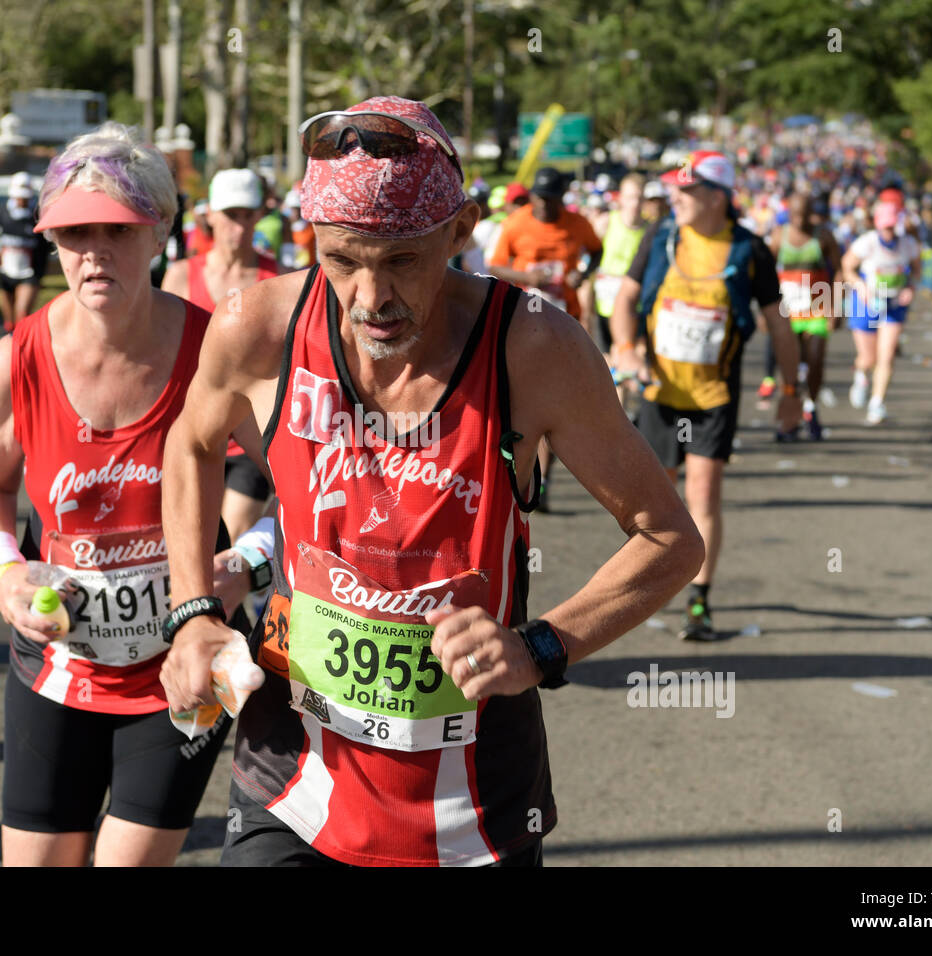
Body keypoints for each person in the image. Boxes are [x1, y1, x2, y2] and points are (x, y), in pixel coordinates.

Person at [158, 96, 703, 867]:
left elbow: (670, 540)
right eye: (341, 259)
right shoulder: (259, 325)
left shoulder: (534, 345)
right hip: (293, 771)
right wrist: (191, 612)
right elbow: (189, 444)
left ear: (461, 228)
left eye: (402, 261)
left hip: (473, 801)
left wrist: (542, 646)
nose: (370, 298)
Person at [0, 123, 257, 867]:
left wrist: (251, 560)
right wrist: (2, 574)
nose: (93, 252)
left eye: (116, 231)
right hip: (58, 663)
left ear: (158, 232)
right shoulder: (15, 358)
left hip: (183, 659)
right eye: (73, 232)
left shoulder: (213, 353)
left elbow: (309, 484)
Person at [610, 150, 802, 641]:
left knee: (703, 495)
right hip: (659, 390)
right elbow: (625, 301)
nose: (674, 197)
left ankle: (699, 601)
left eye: (686, 190)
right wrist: (627, 349)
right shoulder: (662, 236)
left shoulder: (749, 250)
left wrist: (790, 390)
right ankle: (649, 587)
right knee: (654, 501)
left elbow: (779, 326)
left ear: (717, 196)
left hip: (712, 396)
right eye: (674, 188)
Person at [162, 167, 286, 546]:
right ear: (210, 215)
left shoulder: (280, 279)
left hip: (252, 439)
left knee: (230, 543)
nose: (239, 226)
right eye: (230, 215)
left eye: (248, 215)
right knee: (194, 542)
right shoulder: (180, 276)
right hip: (191, 432)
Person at [487, 165, 602, 508]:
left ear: (560, 199)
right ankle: (513, 476)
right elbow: (494, 266)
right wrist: (527, 276)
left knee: (550, 406)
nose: (544, 206)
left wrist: (583, 273)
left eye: (551, 200)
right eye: (539, 198)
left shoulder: (577, 223)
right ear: (532, 195)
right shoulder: (517, 222)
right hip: (522, 324)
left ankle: (544, 480)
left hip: (564, 323)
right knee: (518, 403)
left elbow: (597, 250)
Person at [766, 190, 843, 440]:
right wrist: (765, 311)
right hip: (788, 311)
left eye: (804, 214)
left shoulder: (824, 236)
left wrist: (835, 306)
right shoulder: (779, 236)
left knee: (815, 359)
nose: (800, 220)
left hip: (818, 307)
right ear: (789, 213)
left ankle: (811, 407)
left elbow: (839, 271)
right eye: (795, 215)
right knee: (789, 368)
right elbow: (765, 276)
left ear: (812, 212)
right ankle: (789, 421)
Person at [842, 199, 921, 425]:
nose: (889, 231)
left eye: (892, 226)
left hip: (894, 304)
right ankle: (860, 375)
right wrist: (860, 286)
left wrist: (910, 287)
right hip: (867, 302)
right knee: (869, 358)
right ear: (877, 225)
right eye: (885, 226)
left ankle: (877, 403)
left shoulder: (908, 244)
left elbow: (917, 270)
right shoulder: (866, 243)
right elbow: (847, 267)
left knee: (885, 357)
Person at [578, 172, 646, 355]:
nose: (635, 203)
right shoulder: (607, 222)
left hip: (632, 308)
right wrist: (586, 298)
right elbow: (588, 258)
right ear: (621, 198)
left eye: (640, 198)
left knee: (627, 355)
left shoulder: (649, 230)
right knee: (605, 358)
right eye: (631, 197)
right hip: (604, 305)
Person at [0, 172, 50, 333]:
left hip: (29, 273)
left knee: (22, 315)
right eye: (19, 197)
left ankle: (23, 350)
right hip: (6, 272)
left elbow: (46, 247)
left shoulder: (37, 215)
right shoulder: (2, 212)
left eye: (25, 198)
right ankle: (12, 348)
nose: (21, 201)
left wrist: (40, 274)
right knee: (10, 322)